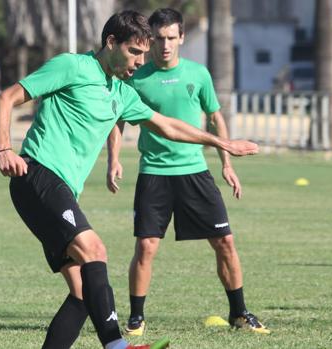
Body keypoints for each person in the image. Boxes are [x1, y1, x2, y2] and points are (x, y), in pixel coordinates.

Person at [0, 10, 258, 349]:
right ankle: (116, 345)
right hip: (38, 174)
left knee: (84, 293)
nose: (139, 61)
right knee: (95, 250)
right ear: (111, 42)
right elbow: (6, 98)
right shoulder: (72, 67)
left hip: (61, 190)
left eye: (143, 54)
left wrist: (221, 142)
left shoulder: (122, 93)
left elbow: (168, 125)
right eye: (134, 51)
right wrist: (4, 148)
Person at [106, 8, 270, 336]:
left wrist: (226, 163)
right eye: (158, 39)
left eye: (171, 38)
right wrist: (114, 159)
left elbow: (215, 118)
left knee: (225, 241)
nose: (164, 45)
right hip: (154, 172)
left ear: (181, 37)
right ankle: (136, 319)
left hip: (195, 172)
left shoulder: (199, 74)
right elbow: (118, 120)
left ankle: (239, 313)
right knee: (146, 247)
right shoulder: (136, 76)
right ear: (150, 39)